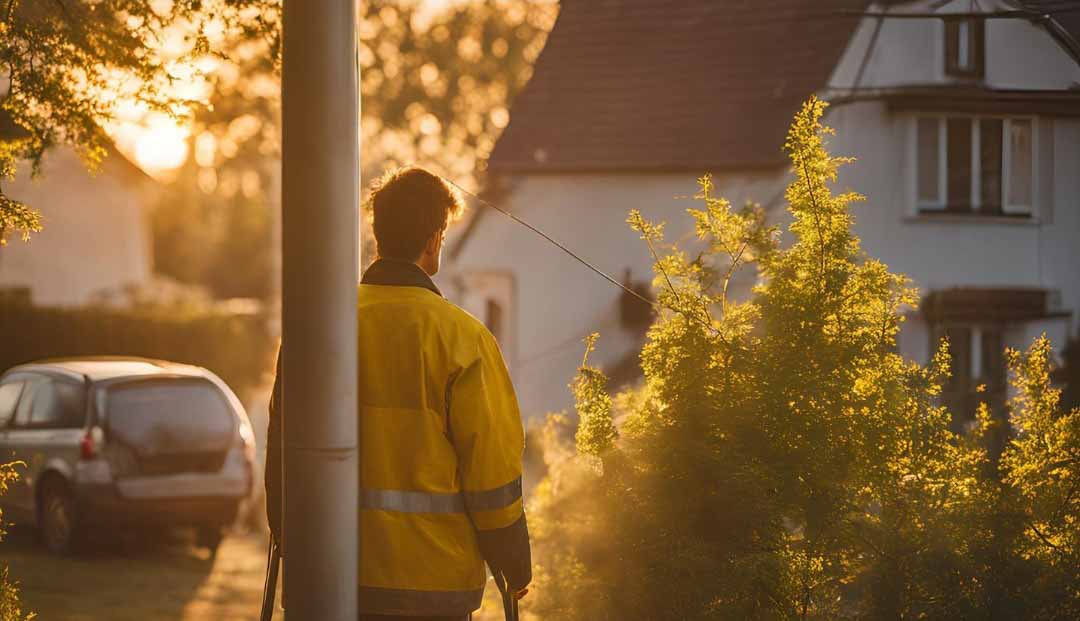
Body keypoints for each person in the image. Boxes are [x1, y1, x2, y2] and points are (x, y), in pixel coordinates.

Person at [265, 166, 532, 620]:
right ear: (433, 241)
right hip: (430, 591)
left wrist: (292, 541)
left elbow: (280, 451)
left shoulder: (313, 325)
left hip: (325, 582)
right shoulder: (464, 341)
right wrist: (513, 563)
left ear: (378, 233)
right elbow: (492, 477)